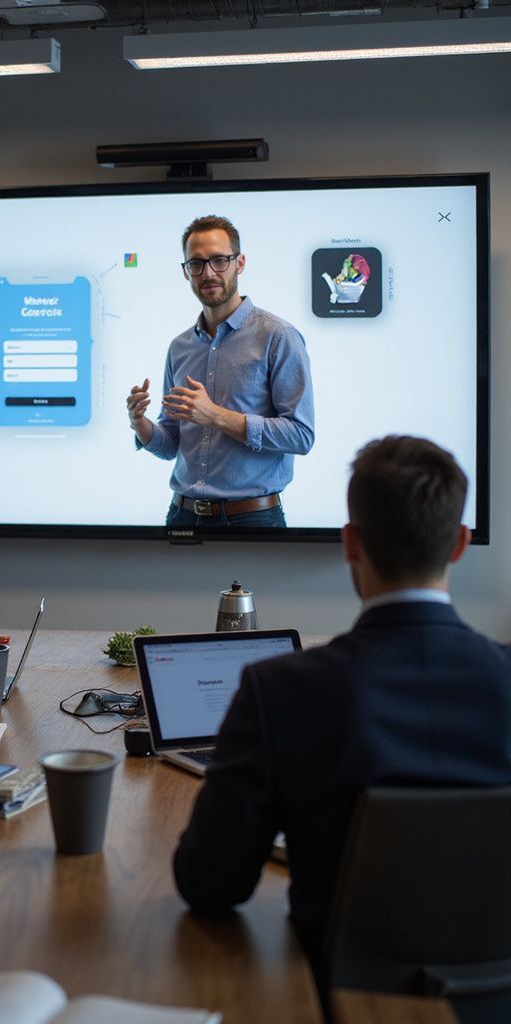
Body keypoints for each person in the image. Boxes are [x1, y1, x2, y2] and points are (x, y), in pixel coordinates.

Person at [172, 435, 511, 997]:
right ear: (459, 544)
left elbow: (209, 884)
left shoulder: (280, 689)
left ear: (350, 543)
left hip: (335, 997)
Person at [126, 214, 314, 528]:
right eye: (196, 264)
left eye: (219, 260)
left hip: (253, 519)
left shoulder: (278, 337)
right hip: (182, 517)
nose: (208, 273)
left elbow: (301, 436)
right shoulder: (180, 347)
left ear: (239, 263)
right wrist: (140, 424)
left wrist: (215, 415)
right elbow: (172, 442)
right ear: (186, 273)